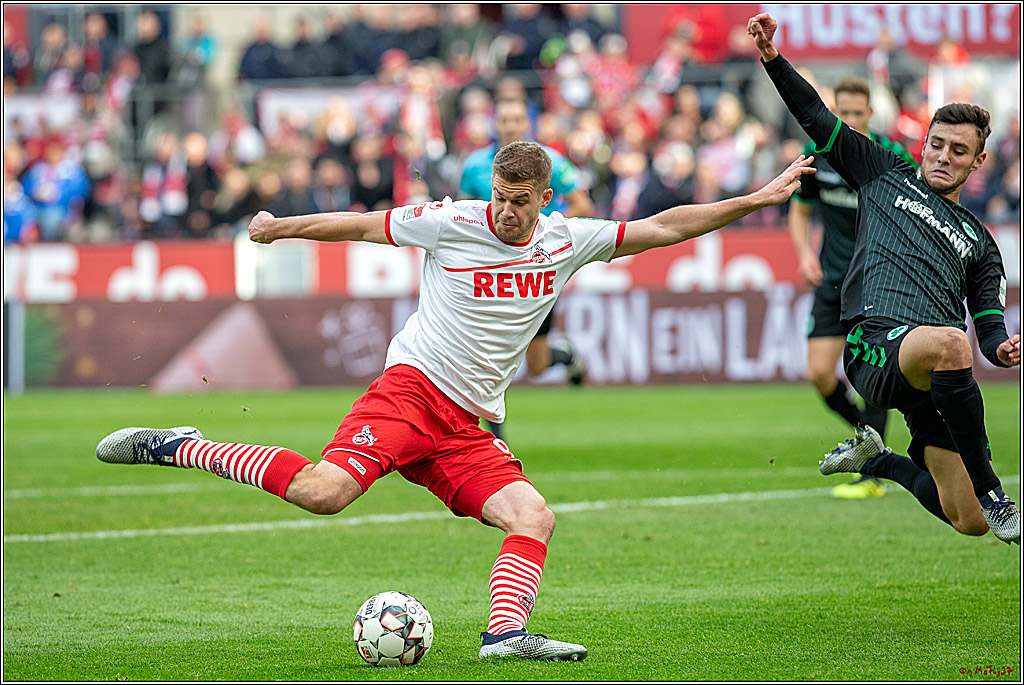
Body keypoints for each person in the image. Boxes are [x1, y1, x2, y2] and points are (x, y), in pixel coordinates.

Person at [97, 140, 815, 660]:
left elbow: (666, 228)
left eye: (517, 201)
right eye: (498, 196)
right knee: (323, 491)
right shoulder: (452, 221)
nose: (503, 210)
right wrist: (278, 228)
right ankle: (183, 443)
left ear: (545, 200)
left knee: (533, 514)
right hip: (411, 391)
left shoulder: (566, 241)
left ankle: (504, 635)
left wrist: (756, 199)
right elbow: (359, 225)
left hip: (465, 424)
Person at [748, 13, 1021, 544]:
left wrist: (1003, 348)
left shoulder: (982, 244)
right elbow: (814, 115)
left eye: (958, 151)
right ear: (924, 143)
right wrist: (773, 59)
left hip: (932, 376)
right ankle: (998, 495)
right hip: (872, 347)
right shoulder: (882, 174)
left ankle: (880, 461)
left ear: (978, 161)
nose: (944, 156)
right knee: (947, 341)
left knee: (967, 521)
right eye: (937, 144)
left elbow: (988, 329)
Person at [788, 75, 917, 500]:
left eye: (856, 114)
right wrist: (804, 253)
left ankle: (872, 476)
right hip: (831, 277)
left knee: (872, 372)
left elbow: (914, 214)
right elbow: (801, 210)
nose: (848, 120)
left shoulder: (890, 155)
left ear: (870, 115)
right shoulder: (816, 154)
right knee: (820, 374)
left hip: (876, 282)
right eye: (840, 113)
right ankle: (869, 438)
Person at [459, 96, 593, 441]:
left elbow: (582, 203)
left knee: (535, 365)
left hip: (535, 270)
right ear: (495, 124)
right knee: (484, 345)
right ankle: (493, 437)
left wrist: (542, 233)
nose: (510, 126)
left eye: (517, 119)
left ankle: (563, 355)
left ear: (527, 123)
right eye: (504, 119)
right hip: (488, 272)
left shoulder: (552, 163)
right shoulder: (475, 165)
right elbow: (461, 213)